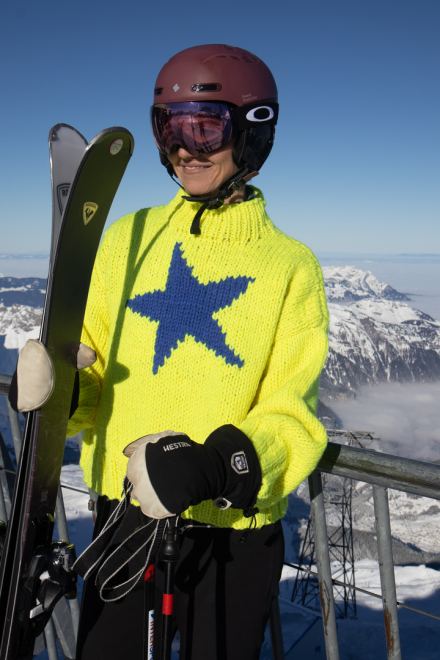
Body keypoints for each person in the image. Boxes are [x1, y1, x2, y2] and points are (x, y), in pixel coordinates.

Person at [13, 44, 329, 660]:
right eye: (170, 128)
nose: (186, 149)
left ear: (252, 134)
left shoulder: (291, 266)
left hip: (232, 535)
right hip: (125, 517)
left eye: (205, 128)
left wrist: (217, 466)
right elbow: (97, 376)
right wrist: (64, 393)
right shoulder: (128, 238)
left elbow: (293, 415)